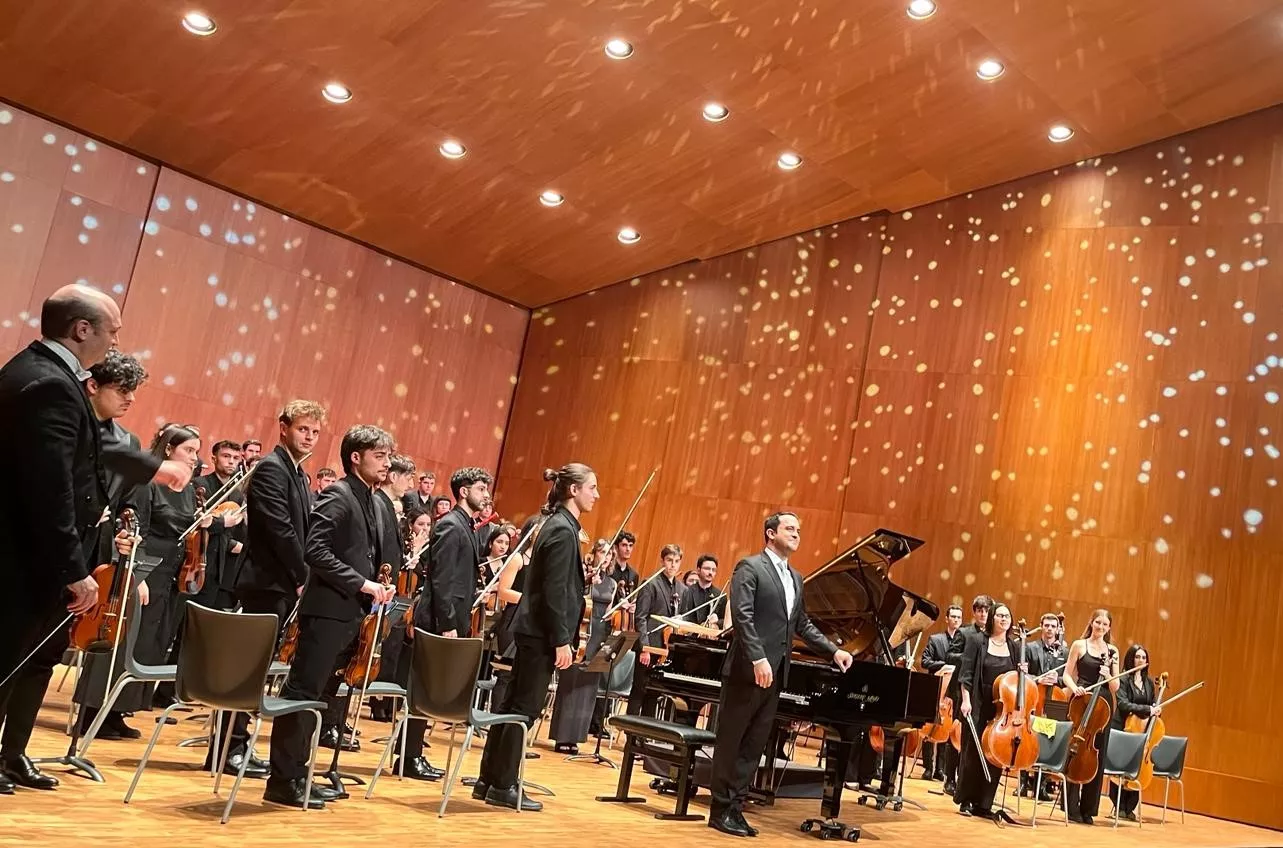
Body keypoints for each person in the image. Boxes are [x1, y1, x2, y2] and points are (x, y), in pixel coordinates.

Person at [0, 286, 190, 794]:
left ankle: (10, 755)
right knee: (8, 657)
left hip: (46, 559)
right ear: (82, 329)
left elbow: (106, 454)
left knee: (36, 660)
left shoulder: (46, 377)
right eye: (113, 332)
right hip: (28, 560)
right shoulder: (51, 384)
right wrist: (73, 569)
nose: (114, 341)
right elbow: (50, 489)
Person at [263, 425, 398, 810]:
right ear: (355, 457)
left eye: (388, 455)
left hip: (348, 614)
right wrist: (362, 583)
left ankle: (300, 774)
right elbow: (315, 551)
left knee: (320, 696)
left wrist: (377, 586)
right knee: (303, 693)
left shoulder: (372, 500)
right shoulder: (339, 495)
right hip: (326, 613)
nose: (386, 462)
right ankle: (283, 780)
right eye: (379, 455)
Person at [708, 512, 854, 837]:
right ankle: (719, 810)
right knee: (732, 742)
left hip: (776, 675)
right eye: (790, 528)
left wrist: (833, 650)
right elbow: (742, 617)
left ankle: (736, 808)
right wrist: (758, 658)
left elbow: (800, 624)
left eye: (799, 530)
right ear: (770, 533)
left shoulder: (796, 578)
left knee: (754, 746)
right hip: (748, 671)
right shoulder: (750, 567)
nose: (796, 534)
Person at [475, 464, 598, 812]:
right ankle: (503, 784)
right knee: (524, 710)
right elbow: (555, 592)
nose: (596, 494)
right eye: (592, 487)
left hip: (532, 633)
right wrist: (562, 640)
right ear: (573, 490)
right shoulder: (561, 530)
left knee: (512, 706)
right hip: (542, 636)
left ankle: (490, 780)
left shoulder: (558, 525)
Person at [217, 399, 325, 777]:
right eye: (302, 429)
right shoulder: (271, 470)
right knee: (248, 669)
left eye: (315, 431)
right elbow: (280, 530)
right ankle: (227, 748)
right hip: (265, 583)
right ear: (284, 428)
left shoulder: (297, 473)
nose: (309, 437)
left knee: (259, 669)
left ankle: (239, 743)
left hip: (278, 584)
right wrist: (302, 575)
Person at [72, 350, 152, 742]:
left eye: (133, 391)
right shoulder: (71, 427)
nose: (131, 398)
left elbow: (129, 501)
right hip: (57, 549)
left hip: (99, 555)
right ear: (93, 387)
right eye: (122, 390)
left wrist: (127, 531)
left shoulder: (128, 440)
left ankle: (14, 754)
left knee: (51, 655)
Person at [134, 424, 211, 709]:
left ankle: (129, 707)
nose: (194, 458)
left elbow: (187, 528)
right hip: (148, 568)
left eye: (196, 452)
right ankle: (104, 710)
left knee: (157, 639)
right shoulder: (148, 481)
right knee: (137, 638)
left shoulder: (189, 488)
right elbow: (138, 526)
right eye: (188, 450)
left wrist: (203, 523)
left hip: (175, 572)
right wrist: (136, 576)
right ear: (168, 449)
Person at [956, 603, 1021, 818]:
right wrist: (965, 700)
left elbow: (1016, 680)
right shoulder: (977, 642)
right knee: (972, 753)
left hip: (1001, 709)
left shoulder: (1014, 647)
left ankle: (984, 803)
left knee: (996, 754)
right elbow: (965, 674)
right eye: (1000, 615)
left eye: (1007, 616)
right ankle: (965, 800)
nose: (1004, 619)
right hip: (978, 703)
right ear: (992, 617)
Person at [1063, 609, 1120, 825]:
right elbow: (1067, 674)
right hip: (1082, 698)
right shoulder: (1080, 645)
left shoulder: (1113, 650)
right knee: (1076, 749)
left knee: (1096, 753)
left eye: (1105, 624)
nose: (1101, 627)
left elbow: (1115, 686)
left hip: (1103, 705)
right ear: (1092, 622)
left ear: (1109, 628)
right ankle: (1071, 806)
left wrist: (1108, 675)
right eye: (1098, 623)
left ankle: (1089, 809)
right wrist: (1074, 687)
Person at [425, 467, 491, 637]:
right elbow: (442, 578)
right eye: (481, 489)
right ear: (463, 491)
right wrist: (447, 623)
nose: (487, 495)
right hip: (443, 623)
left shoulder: (467, 525)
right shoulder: (451, 525)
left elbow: (461, 575)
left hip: (457, 617)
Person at [944, 594, 992, 797]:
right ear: (974, 612)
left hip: (980, 693)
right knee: (957, 736)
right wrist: (969, 656)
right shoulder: (964, 633)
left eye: (986, 610)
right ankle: (949, 778)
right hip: (961, 691)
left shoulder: (991, 636)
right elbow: (950, 656)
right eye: (979, 610)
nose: (983, 614)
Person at [627, 544, 682, 715]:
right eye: (669, 560)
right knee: (639, 690)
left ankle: (644, 736)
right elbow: (640, 617)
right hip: (649, 646)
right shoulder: (650, 583)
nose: (673, 565)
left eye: (676, 561)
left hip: (665, 649)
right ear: (662, 561)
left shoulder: (681, 589)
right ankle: (631, 737)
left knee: (654, 693)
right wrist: (644, 648)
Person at [1111, 644, 1158, 822]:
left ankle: (1130, 807)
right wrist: (1148, 708)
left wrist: (1155, 709)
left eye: (1143, 658)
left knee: (1136, 766)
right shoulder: (1123, 679)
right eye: (1137, 657)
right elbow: (1123, 704)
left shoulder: (1148, 683)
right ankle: (1118, 805)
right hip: (1122, 728)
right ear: (1131, 659)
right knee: (1119, 767)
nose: (1141, 660)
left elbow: (1152, 704)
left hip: (1140, 732)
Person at [919, 603, 962, 781]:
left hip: (953, 692)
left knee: (946, 727)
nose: (956, 620)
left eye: (959, 618)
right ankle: (928, 767)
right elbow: (925, 661)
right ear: (947, 619)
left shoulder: (964, 642)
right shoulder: (936, 639)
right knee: (930, 725)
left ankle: (940, 769)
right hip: (936, 687)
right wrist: (943, 665)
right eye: (953, 617)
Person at [678, 554, 723, 627]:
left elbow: (724, 620)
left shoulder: (720, 595)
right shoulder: (687, 591)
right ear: (698, 570)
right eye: (707, 569)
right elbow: (681, 615)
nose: (710, 572)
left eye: (713, 570)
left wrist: (717, 621)